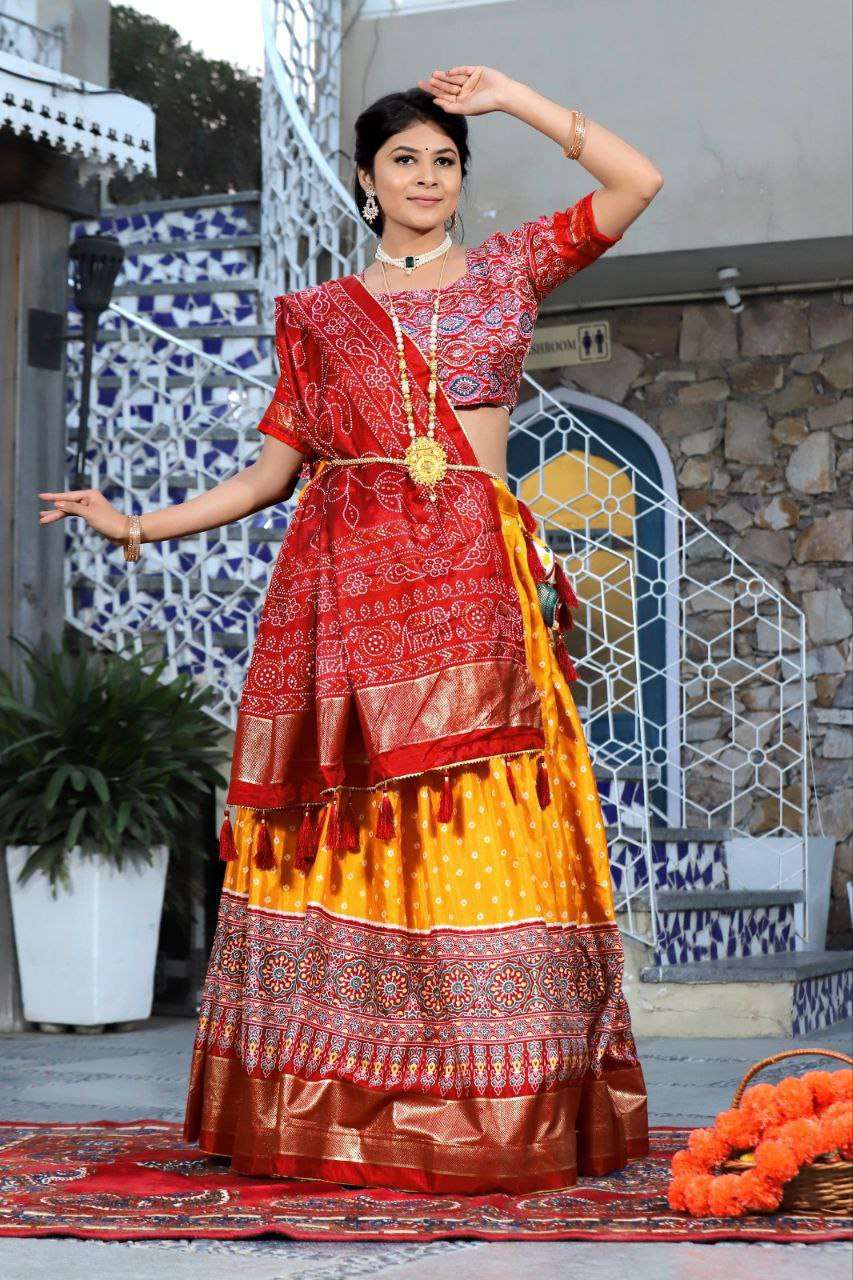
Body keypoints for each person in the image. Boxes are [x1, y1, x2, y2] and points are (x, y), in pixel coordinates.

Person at [39, 66, 663, 1194]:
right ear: (368, 183)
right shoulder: (321, 317)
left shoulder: (510, 271)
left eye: (444, 160)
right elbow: (267, 477)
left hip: (473, 583)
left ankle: (498, 1098)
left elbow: (637, 181)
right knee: (353, 837)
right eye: (403, 161)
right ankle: (342, 1097)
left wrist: (512, 98)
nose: (426, 177)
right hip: (348, 600)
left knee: (480, 827)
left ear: (462, 179)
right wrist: (133, 524)